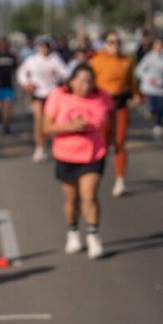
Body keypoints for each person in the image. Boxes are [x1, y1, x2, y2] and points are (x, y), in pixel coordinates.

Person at [43, 64, 114, 260]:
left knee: (89, 195)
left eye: (90, 81)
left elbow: (111, 118)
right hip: (66, 155)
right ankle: (73, 232)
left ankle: (93, 235)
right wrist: (70, 126)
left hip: (94, 154)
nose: (86, 85)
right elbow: (46, 128)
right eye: (81, 80)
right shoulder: (58, 96)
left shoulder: (103, 97)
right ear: (72, 81)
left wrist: (112, 139)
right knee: (71, 199)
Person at [89, 31, 138, 197]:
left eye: (118, 42)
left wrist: (136, 94)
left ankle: (120, 179)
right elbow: (89, 84)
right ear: (105, 44)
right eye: (111, 42)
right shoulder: (96, 61)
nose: (115, 45)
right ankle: (95, 174)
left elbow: (131, 82)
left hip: (120, 105)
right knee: (103, 142)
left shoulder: (126, 61)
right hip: (103, 107)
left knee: (120, 142)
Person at [17, 37, 69, 162]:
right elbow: (21, 73)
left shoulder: (55, 59)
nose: (43, 49)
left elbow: (66, 73)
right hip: (37, 93)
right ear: (38, 47)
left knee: (52, 122)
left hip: (52, 94)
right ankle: (39, 148)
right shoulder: (32, 59)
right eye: (41, 46)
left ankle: (55, 146)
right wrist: (27, 83)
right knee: (39, 120)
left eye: (46, 46)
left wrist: (56, 73)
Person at [136, 38, 163, 139]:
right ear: (154, 46)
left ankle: (158, 126)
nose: (159, 48)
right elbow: (139, 70)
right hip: (150, 88)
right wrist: (149, 79)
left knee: (162, 108)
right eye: (157, 45)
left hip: (162, 87)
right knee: (153, 108)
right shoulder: (149, 57)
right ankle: (148, 109)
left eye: (161, 46)